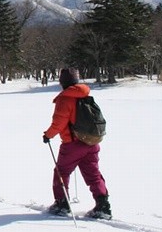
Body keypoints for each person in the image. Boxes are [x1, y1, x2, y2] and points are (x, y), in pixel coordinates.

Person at [43, 68, 112, 220]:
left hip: (73, 144)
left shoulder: (65, 98)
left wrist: (48, 135)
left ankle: (62, 204)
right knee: (93, 174)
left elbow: (59, 123)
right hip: (92, 141)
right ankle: (103, 206)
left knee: (61, 172)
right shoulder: (85, 94)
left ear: (63, 82)